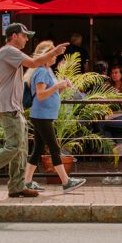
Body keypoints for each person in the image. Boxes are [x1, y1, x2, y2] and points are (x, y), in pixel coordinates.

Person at [0, 23, 68, 199]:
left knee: (21, 149)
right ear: (14, 36)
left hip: (14, 107)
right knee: (14, 146)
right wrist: (54, 52)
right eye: (24, 35)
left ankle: (16, 186)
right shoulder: (8, 51)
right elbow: (34, 62)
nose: (26, 39)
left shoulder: (10, 53)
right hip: (9, 107)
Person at [23, 41, 86, 194]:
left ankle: (27, 182)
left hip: (43, 115)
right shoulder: (42, 71)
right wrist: (57, 86)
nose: (55, 56)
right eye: (52, 53)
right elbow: (40, 94)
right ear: (46, 55)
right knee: (54, 148)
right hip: (41, 116)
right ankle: (66, 182)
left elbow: (51, 93)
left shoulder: (47, 70)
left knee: (38, 149)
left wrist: (61, 86)